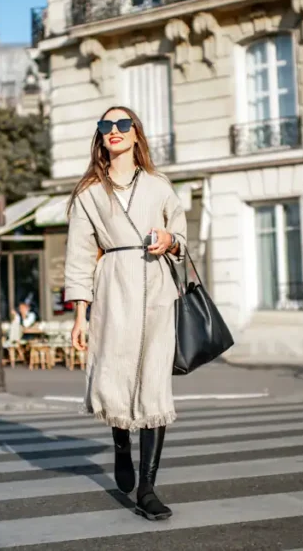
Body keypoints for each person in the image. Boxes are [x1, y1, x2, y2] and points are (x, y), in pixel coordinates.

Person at [65, 105, 187, 522]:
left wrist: (171, 238)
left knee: (154, 383)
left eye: (122, 125)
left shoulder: (158, 185)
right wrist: (80, 314)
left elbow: (183, 237)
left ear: (136, 134)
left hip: (156, 289)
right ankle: (121, 444)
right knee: (116, 376)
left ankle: (148, 488)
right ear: (100, 137)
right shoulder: (89, 194)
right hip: (113, 288)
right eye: (105, 126)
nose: (113, 131)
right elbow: (79, 257)